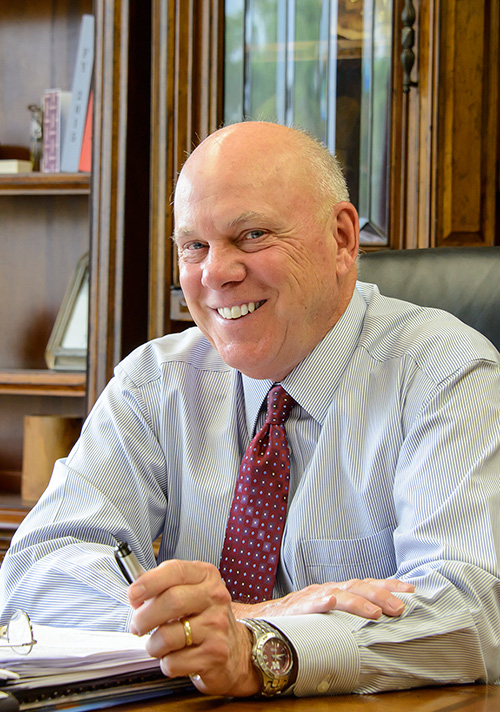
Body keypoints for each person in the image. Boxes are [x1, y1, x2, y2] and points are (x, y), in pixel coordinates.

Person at [1, 121, 499, 698]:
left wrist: (265, 648)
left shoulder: (443, 371)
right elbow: (34, 574)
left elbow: (470, 609)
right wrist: (246, 619)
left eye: (252, 235)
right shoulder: (155, 380)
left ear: (341, 239)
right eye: (194, 246)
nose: (216, 273)